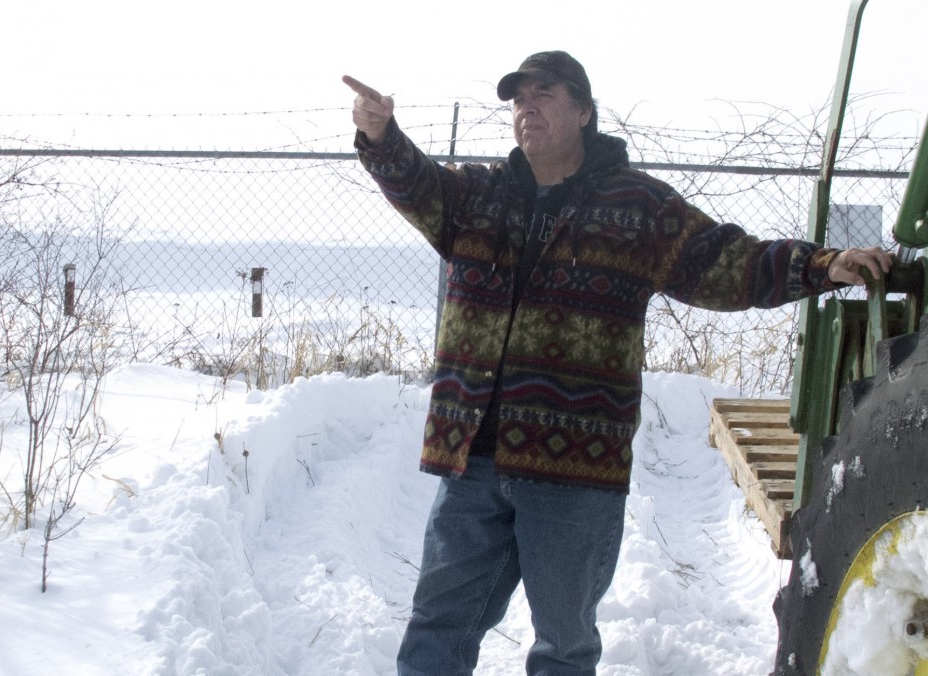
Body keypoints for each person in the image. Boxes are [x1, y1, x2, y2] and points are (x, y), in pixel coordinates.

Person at [343, 50, 891, 676]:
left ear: (582, 111)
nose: (528, 109)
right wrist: (381, 133)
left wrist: (820, 266)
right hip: (473, 460)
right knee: (438, 624)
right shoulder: (477, 197)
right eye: (519, 100)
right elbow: (417, 182)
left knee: (564, 645)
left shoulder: (638, 206)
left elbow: (722, 261)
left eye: (543, 94)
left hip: (573, 469)